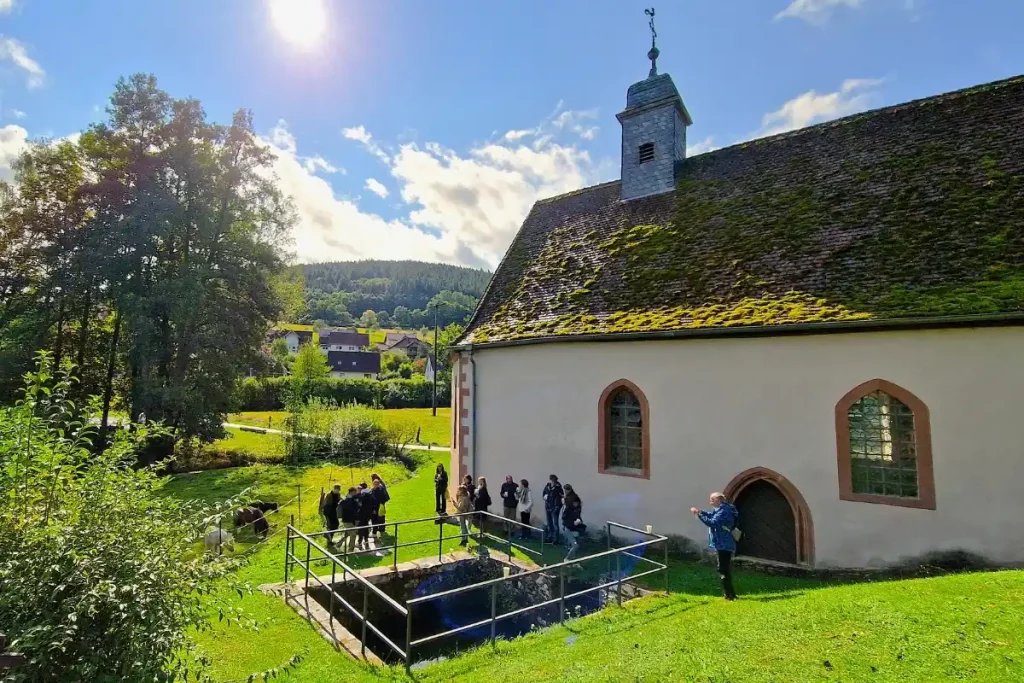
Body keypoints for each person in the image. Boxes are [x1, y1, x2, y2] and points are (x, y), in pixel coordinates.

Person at [691, 492, 740, 601]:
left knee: (723, 569)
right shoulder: (722, 509)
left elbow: (713, 522)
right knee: (723, 568)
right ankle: (730, 594)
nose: (710, 502)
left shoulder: (724, 511)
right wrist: (700, 512)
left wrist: (699, 515)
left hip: (724, 543)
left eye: (712, 499)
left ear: (718, 500)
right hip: (722, 542)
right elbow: (712, 515)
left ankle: (730, 595)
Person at [561, 484, 585, 560]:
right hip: (568, 527)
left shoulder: (573, 504)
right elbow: (565, 516)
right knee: (574, 545)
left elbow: (577, 516)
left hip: (572, 527)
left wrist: (578, 521)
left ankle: (572, 559)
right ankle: (567, 559)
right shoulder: (568, 506)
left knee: (573, 545)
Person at [542, 474, 564, 544]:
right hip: (548, 507)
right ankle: (550, 537)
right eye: (551, 480)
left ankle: (555, 539)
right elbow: (543, 494)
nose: (552, 482)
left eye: (553, 480)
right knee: (549, 523)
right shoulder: (547, 486)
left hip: (555, 508)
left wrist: (557, 508)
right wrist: (545, 496)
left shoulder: (558, 488)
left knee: (555, 524)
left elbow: (561, 499)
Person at [338, 486, 360, 553]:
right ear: (352, 492)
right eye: (355, 492)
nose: (356, 493)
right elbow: (350, 509)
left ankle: (338, 544)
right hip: (347, 520)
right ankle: (350, 550)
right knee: (353, 534)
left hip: (352, 520)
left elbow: (356, 509)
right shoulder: (346, 500)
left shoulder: (353, 499)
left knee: (347, 533)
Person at [356, 482, 376, 550]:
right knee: (366, 528)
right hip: (368, 515)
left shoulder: (362, 495)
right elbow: (374, 503)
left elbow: (359, 504)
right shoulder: (370, 494)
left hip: (361, 515)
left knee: (361, 529)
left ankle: (359, 543)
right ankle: (366, 542)